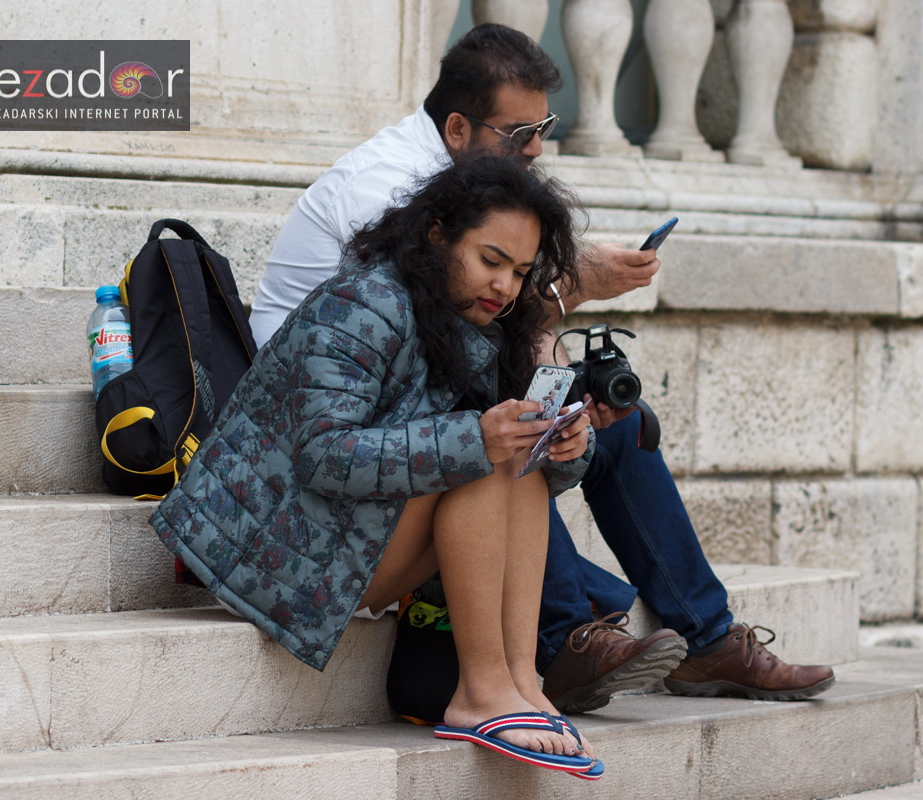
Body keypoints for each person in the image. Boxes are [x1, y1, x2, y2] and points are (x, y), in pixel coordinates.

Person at [251, 23, 835, 716]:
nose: (536, 147)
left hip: (411, 397)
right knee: (502, 436)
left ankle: (705, 636)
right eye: (518, 131)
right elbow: (451, 341)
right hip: (335, 432)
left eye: (545, 126)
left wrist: (568, 403)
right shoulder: (391, 194)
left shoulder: (467, 190)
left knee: (607, 428)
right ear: (460, 128)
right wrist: (570, 288)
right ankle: (561, 640)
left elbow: (489, 332)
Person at [151, 156, 607, 778]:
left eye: (521, 272)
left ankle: (522, 682)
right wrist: (475, 438)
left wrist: (562, 447)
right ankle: (479, 692)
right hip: (272, 548)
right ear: (438, 233)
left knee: (510, 465)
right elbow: (323, 455)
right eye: (491, 260)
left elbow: (508, 463)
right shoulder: (362, 303)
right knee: (478, 462)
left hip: (354, 535)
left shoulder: (484, 323)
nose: (504, 286)